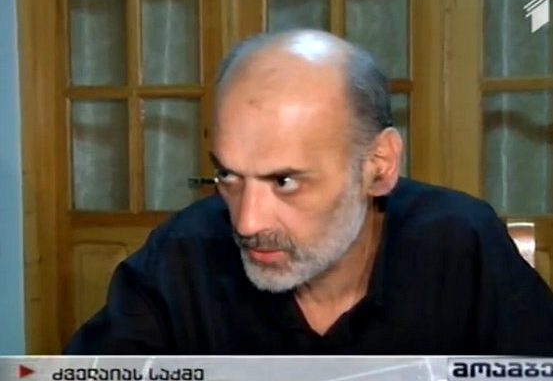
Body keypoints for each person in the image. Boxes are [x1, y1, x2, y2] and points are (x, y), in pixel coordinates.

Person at [65, 30, 553, 355]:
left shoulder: (460, 242)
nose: (247, 223)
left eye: (285, 181)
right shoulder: (182, 254)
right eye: (229, 176)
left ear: (378, 166)